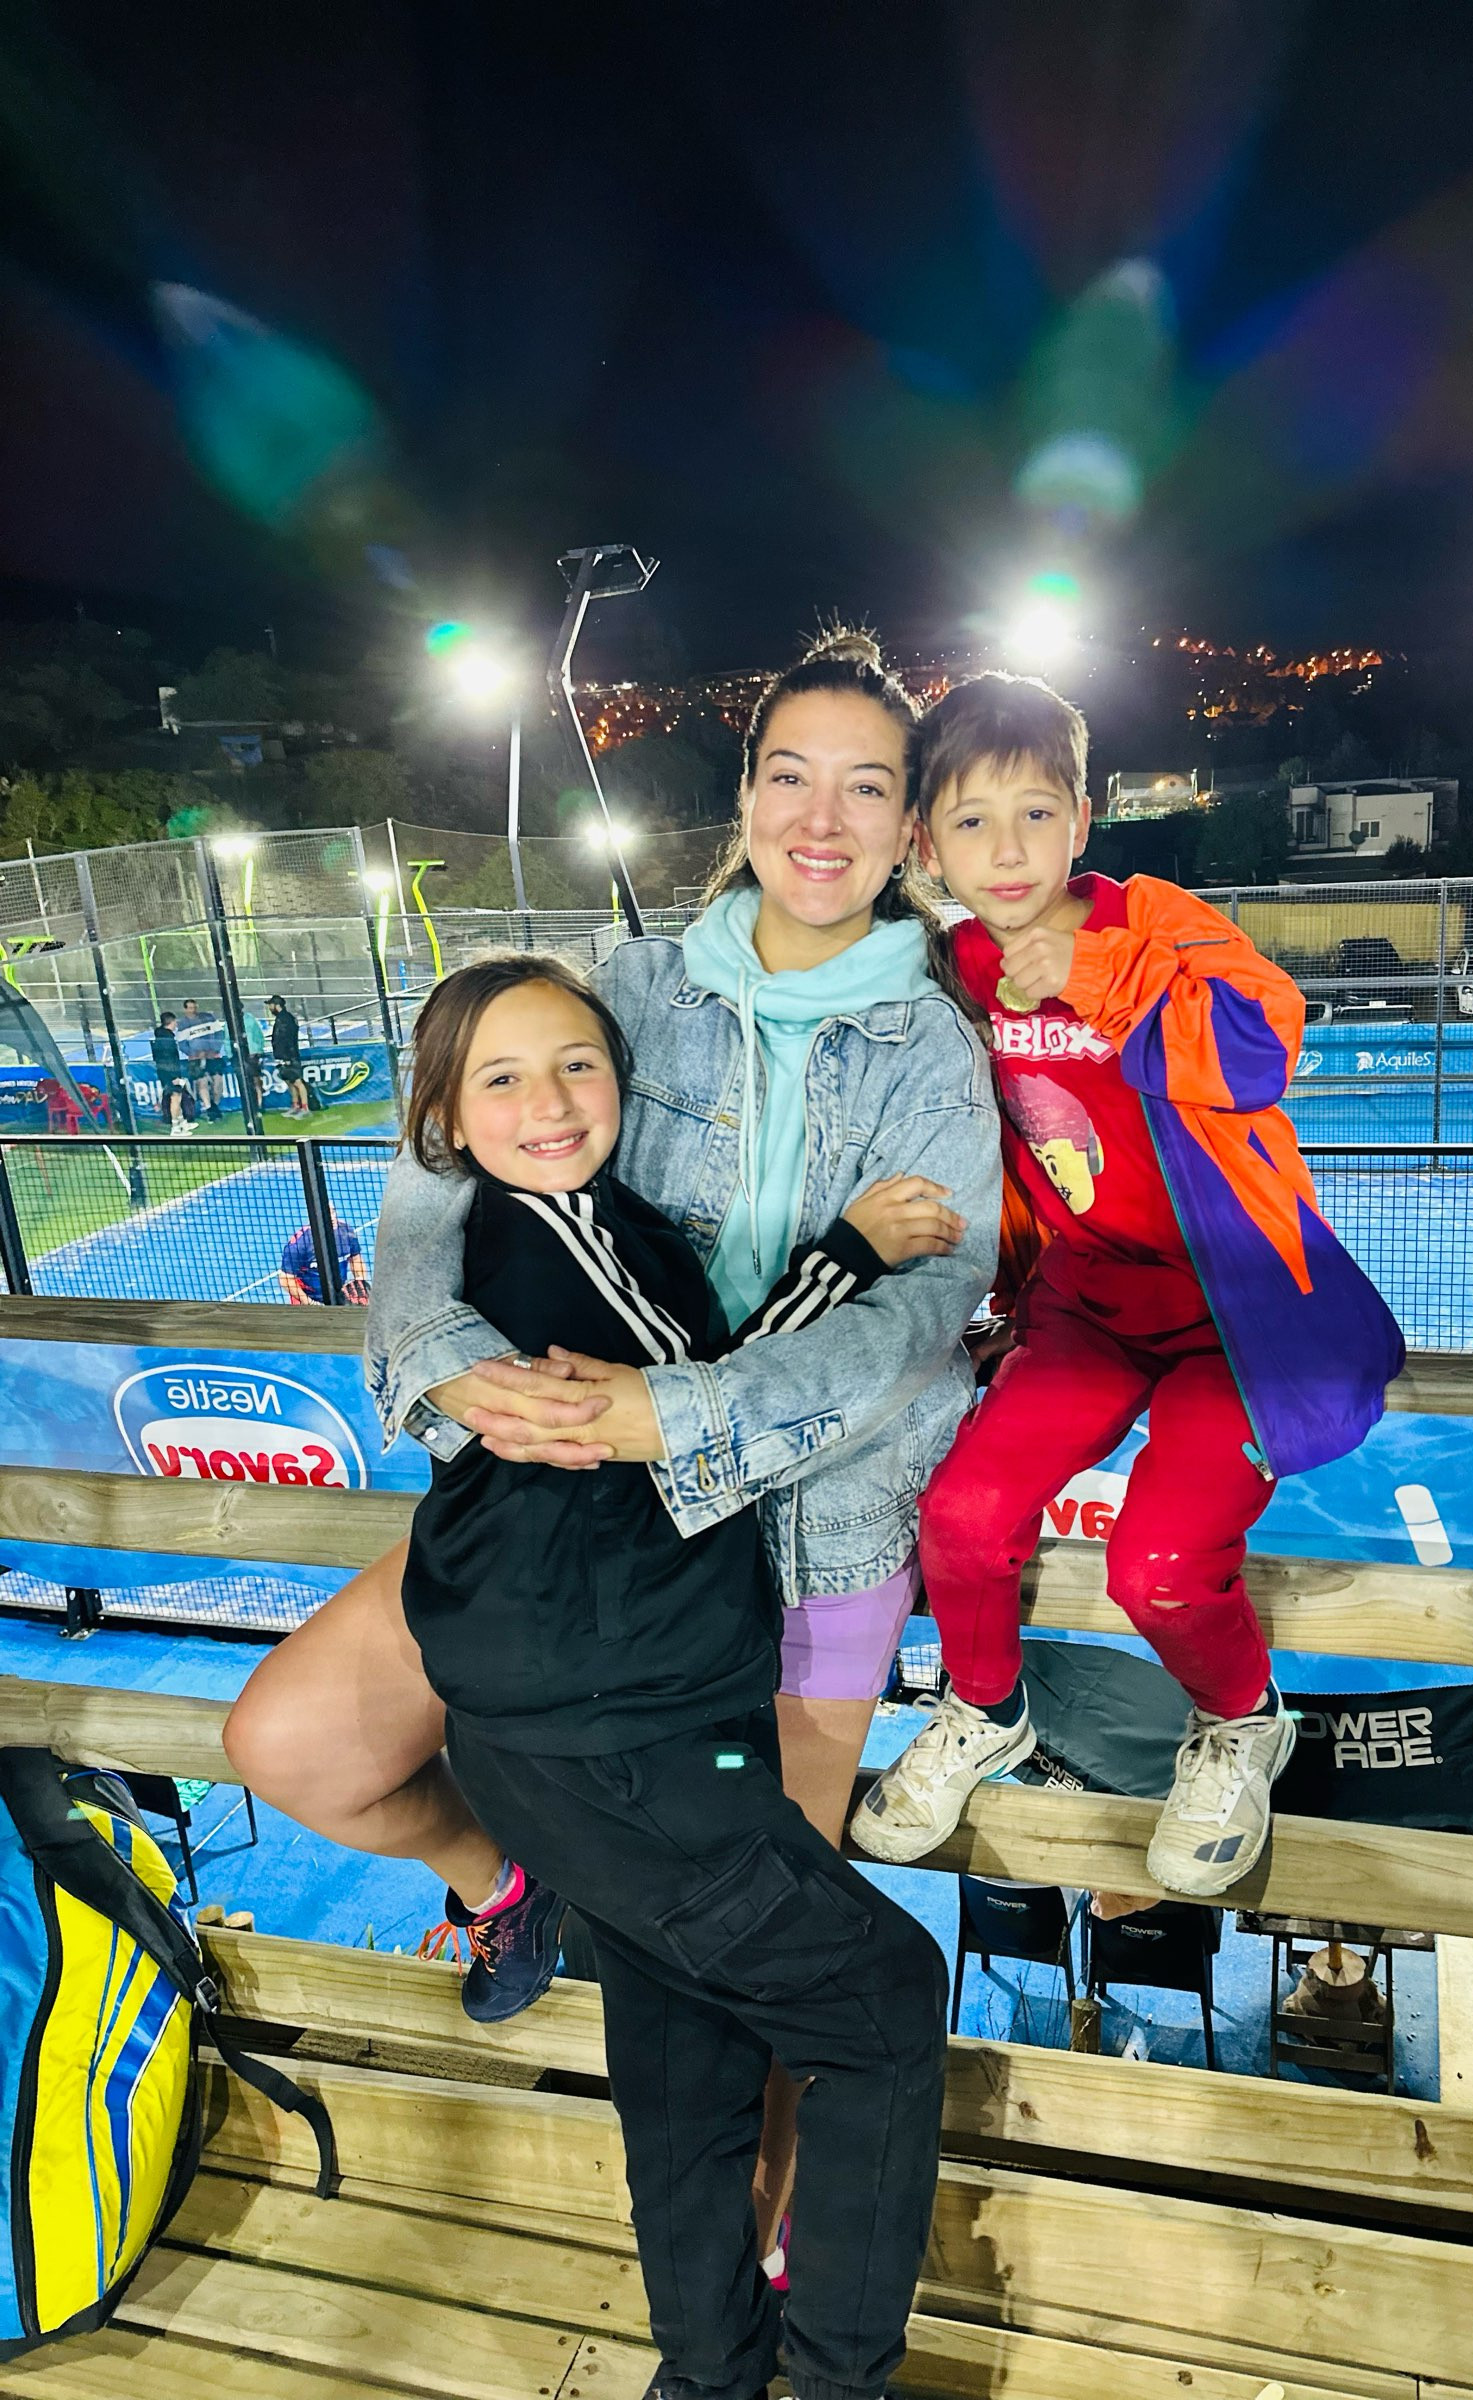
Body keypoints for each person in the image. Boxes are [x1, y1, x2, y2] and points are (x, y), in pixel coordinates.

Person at [221, 628, 1000, 2274]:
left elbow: (917, 1319)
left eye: (868, 787)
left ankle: (760, 2277)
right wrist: (455, 1375)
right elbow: (436, 1176)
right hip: (560, 1516)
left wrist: (676, 1417)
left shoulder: (936, 1051)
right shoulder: (626, 989)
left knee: (767, 1964)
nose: (822, 818)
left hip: (809, 1538)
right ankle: (514, 1883)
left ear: (912, 825)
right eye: (790, 774)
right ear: (744, 792)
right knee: (296, 1741)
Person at [389, 949, 954, 2400]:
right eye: (503, 1078)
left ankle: (708, 2374)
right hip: (620, 1737)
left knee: (683, 2053)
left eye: (577, 1063)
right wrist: (848, 1256)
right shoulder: (545, 1240)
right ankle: (838, 2380)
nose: (550, 1100)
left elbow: (683, 1382)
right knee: (884, 2003)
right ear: (445, 1120)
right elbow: (714, 1405)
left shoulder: (599, 1221)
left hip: (587, 1725)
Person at [852, 672, 1406, 1898]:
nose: (1008, 850)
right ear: (927, 843)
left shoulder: (1149, 920)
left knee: (1156, 1562)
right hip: (1086, 1308)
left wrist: (1097, 973)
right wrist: (987, 1295)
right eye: (973, 821)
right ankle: (985, 1709)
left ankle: (1244, 1721)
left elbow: (1261, 1049)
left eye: (1035, 814)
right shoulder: (950, 969)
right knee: (960, 1520)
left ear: (1082, 820)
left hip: (1238, 1318)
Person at [279, 1213, 372, 1305]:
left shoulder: (346, 1232)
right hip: (307, 1297)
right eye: (327, 1213)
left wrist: (360, 1283)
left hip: (338, 1294)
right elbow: (286, 1279)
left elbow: (355, 1259)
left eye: (333, 1212)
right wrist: (310, 1303)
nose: (332, 1217)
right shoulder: (299, 1244)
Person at [180, 998, 223, 1121]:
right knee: (202, 1082)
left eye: (194, 1007)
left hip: (212, 1056)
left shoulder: (208, 1017)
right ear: (185, 1009)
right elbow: (182, 1044)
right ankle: (209, 1109)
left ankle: (215, 1105)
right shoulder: (183, 1024)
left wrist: (215, 1049)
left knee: (218, 1081)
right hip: (196, 1058)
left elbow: (220, 1033)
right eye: (190, 1008)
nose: (193, 1010)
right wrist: (193, 1054)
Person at [267, 996, 312, 1115]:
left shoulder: (285, 1019)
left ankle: (305, 1107)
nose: (269, 1008)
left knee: (297, 1081)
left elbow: (287, 1039)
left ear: (277, 1005)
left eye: (271, 1005)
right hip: (284, 1056)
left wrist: (287, 1057)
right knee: (289, 1081)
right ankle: (295, 1105)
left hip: (289, 1056)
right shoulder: (282, 1018)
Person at [149, 1012, 190, 1129]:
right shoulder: (167, 1039)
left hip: (165, 1071)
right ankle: (175, 1126)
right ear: (171, 1022)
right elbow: (169, 1059)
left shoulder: (162, 1036)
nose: (176, 1024)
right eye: (175, 1021)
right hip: (170, 1072)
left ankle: (182, 1122)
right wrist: (174, 1076)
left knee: (178, 1095)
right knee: (175, 1097)